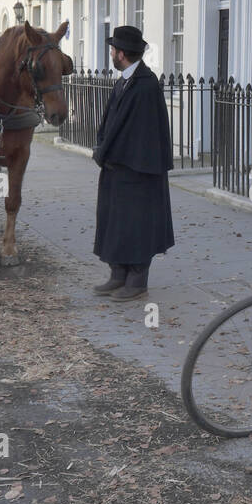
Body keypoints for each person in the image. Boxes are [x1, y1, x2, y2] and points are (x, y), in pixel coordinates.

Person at [92, 25, 175, 301]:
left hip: (138, 171)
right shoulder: (124, 81)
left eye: (113, 50)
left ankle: (137, 280)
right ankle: (118, 274)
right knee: (115, 222)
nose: (112, 54)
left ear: (122, 54)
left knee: (137, 224)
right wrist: (102, 148)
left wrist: (112, 154)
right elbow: (111, 122)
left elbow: (142, 134)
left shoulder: (145, 85)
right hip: (117, 168)